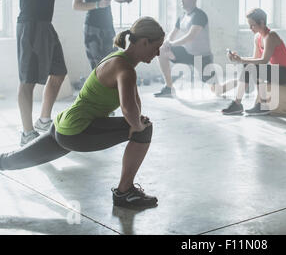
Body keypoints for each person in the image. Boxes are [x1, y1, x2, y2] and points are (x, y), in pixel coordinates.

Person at [0, 17, 165, 209]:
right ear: (144, 42)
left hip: (63, 126)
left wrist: (137, 120)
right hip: (77, 131)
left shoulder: (119, 60)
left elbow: (135, 104)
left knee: (12, 161)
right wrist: (137, 126)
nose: (158, 53)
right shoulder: (125, 69)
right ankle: (125, 193)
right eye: (157, 47)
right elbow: (128, 109)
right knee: (144, 131)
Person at [0, 0, 67, 146]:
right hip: (31, 25)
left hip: (45, 25)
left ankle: (43, 122)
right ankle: (27, 134)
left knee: (59, 72)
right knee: (27, 81)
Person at [222, 8, 286, 116]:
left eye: (252, 25)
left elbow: (263, 61)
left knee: (252, 67)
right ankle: (237, 104)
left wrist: (241, 60)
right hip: (277, 71)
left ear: (262, 23)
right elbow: (255, 59)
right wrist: (237, 59)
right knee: (249, 66)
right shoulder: (257, 37)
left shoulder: (271, 36)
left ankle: (262, 105)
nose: (250, 28)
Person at [154, 0, 216, 97]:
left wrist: (171, 44)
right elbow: (172, 34)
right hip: (187, 52)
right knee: (161, 50)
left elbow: (190, 37)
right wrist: (166, 43)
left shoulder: (199, 15)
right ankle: (169, 87)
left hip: (201, 57)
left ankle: (239, 83)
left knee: (217, 90)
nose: (181, 1)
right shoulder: (182, 16)